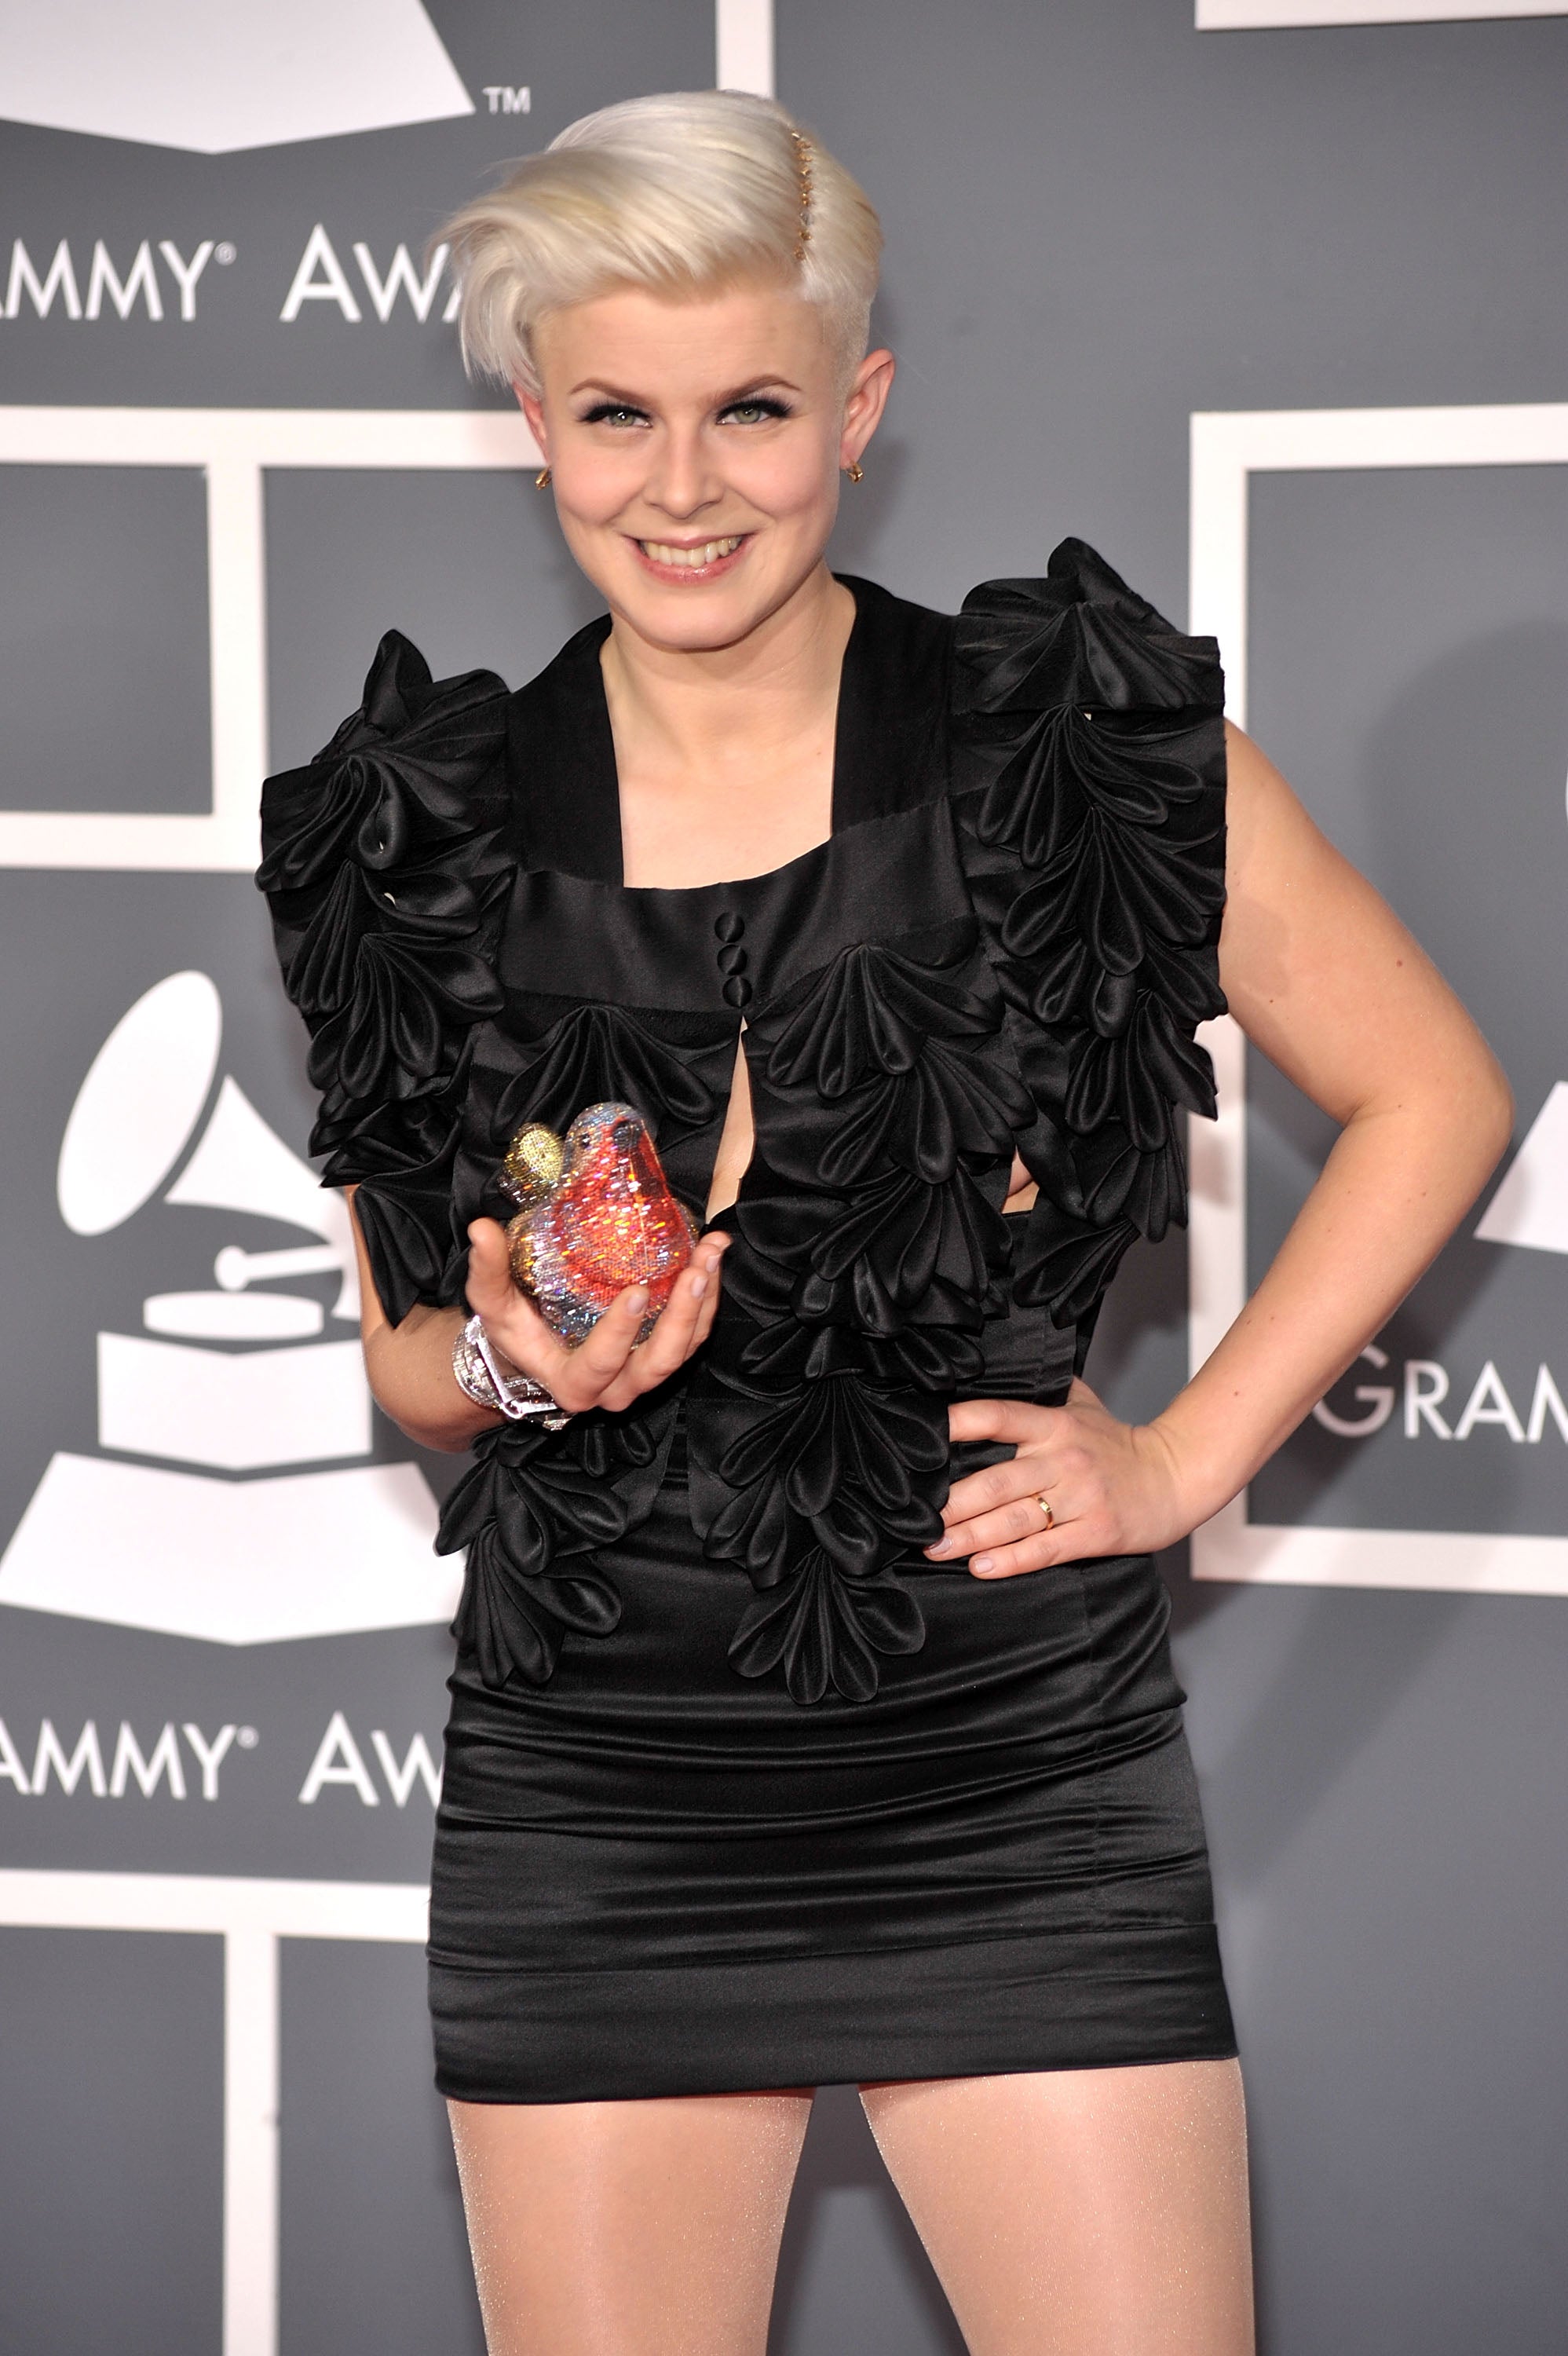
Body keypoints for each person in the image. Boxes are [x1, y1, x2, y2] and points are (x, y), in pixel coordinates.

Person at [258, 89, 1511, 2356]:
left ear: (862, 406)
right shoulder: (410, 837)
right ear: (531, 427)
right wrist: (521, 1348)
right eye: (615, 414)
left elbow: (1437, 1086)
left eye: (750, 409)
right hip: (599, 1783)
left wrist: (1177, 1461)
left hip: (1012, 1764)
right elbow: (408, 1363)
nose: (683, 484)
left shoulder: (1070, 755)